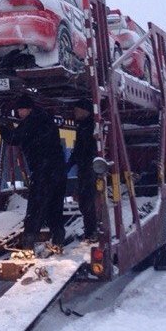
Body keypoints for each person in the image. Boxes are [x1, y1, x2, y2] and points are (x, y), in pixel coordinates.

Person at [0, 95, 67, 251]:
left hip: (43, 171)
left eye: (20, 110)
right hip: (57, 171)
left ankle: (29, 242)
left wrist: (2, 127)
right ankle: (58, 237)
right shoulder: (46, 119)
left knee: (35, 207)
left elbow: (14, 138)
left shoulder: (32, 121)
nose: (19, 113)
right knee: (55, 206)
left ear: (27, 109)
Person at [67, 98, 98, 241]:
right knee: (85, 201)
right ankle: (90, 231)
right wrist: (70, 164)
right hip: (85, 168)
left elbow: (84, 149)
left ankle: (92, 231)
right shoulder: (83, 127)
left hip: (89, 169)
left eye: (77, 109)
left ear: (85, 110)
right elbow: (79, 149)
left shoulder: (90, 126)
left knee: (88, 200)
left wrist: (77, 161)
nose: (74, 112)